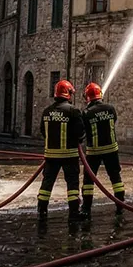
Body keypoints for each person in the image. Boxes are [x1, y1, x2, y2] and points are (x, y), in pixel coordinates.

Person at [37, 80, 84, 226]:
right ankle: (74, 213)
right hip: (69, 155)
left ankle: (42, 211)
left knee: (47, 184)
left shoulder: (46, 112)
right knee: (72, 185)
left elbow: (43, 131)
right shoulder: (73, 111)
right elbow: (80, 132)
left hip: (51, 156)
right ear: (68, 94)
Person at [80, 83, 124, 217]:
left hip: (94, 151)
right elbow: (113, 121)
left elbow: (83, 131)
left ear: (87, 97)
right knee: (115, 177)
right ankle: (120, 204)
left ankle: (86, 208)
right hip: (111, 149)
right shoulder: (110, 108)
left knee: (88, 180)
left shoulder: (86, 113)